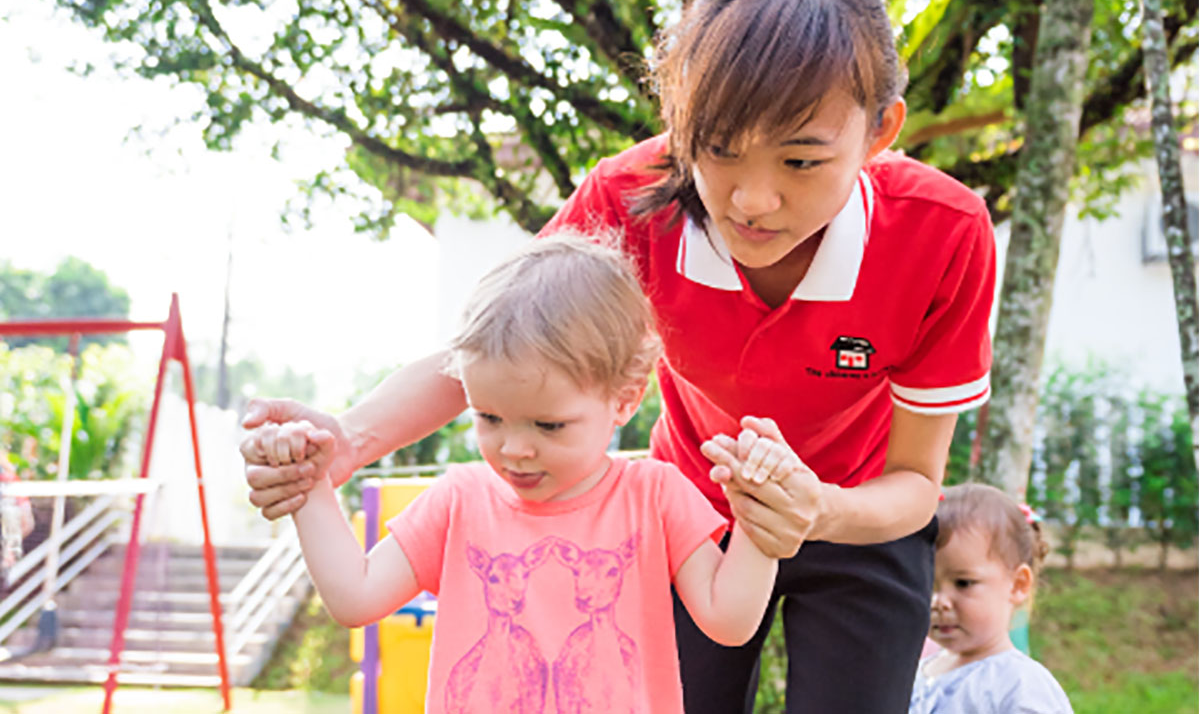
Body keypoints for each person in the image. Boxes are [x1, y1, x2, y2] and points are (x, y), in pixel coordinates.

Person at [241, 0, 996, 709]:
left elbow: (916, 483)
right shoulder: (628, 201)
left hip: (859, 515)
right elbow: (499, 350)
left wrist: (815, 511)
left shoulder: (943, 233)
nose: (753, 199)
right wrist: (349, 439)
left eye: (801, 160)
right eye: (720, 148)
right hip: (689, 511)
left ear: (879, 131)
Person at [242, 234, 791, 713]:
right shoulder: (458, 500)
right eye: (489, 418)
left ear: (625, 398)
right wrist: (310, 484)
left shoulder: (655, 495)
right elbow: (355, 598)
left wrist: (760, 517)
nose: (514, 449)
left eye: (548, 426)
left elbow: (729, 621)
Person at [910, 483, 1073, 713]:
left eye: (963, 583)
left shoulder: (1020, 685)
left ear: (1018, 584)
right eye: (928, 585)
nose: (939, 602)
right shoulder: (915, 673)